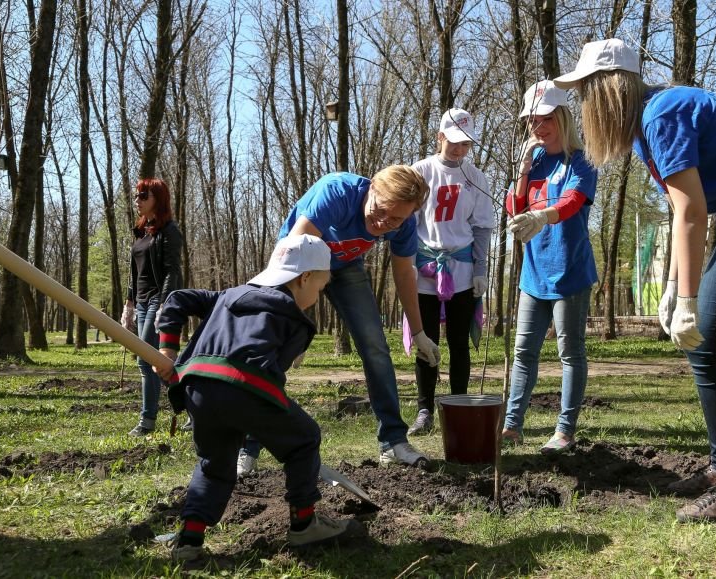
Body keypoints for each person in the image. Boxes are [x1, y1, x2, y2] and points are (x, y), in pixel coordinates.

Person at [554, 38, 716, 522]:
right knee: (702, 344)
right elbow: (682, 210)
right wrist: (673, 290)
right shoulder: (644, 126)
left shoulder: (661, 114)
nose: (583, 105)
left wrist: (688, 296)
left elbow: (692, 211)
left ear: (609, 88)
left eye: (586, 92)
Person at [154, 234, 365, 561]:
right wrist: (263, 424)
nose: (318, 296)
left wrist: (166, 347)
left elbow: (178, 298)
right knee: (304, 439)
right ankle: (305, 524)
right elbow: (268, 381)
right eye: (320, 288)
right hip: (245, 386)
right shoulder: (296, 320)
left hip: (197, 384)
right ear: (304, 277)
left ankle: (189, 540)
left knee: (214, 465)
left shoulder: (228, 295)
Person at [281, 165, 440, 467]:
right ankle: (246, 448)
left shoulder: (404, 224)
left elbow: (405, 274)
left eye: (395, 219)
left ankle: (393, 442)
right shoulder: (338, 193)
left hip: (345, 267)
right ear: (372, 190)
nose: (383, 223)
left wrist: (418, 332)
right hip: (296, 264)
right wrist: (294, 323)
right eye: (380, 210)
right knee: (275, 347)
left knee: (375, 346)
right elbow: (296, 253)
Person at [500, 80, 598, 455]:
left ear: (561, 117)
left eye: (544, 119)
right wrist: (522, 170)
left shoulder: (581, 159)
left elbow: (574, 201)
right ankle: (512, 426)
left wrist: (543, 216)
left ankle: (564, 430)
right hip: (533, 274)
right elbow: (513, 206)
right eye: (532, 121)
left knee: (569, 352)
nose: (538, 127)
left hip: (569, 272)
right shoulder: (536, 161)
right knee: (524, 351)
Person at [406, 108, 495, 435]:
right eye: (454, 142)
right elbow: (408, 224)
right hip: (425, 267)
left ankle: (458, 404)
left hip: (461, 268)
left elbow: (482, 226)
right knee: (425, 340)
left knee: (458, 342)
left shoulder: (476, 178)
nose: (459, 149)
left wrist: (480, 269)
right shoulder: (420, 172)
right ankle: (425, 409)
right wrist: (408, 265)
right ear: (440, 136)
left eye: (465, 144)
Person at [121, 178, 183, 437]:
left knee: (146, 360)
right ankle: (191, 405)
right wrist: (129, 303)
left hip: (160, 299)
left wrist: (165, 306)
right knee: (158, 363)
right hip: (142, 301)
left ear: (158, 198)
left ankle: (147, 421)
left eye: (143, 195)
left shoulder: (169, 231)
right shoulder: (141, 231)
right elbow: (134, 273)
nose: (138, 200)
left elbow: (171, 271)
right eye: (136, 195)